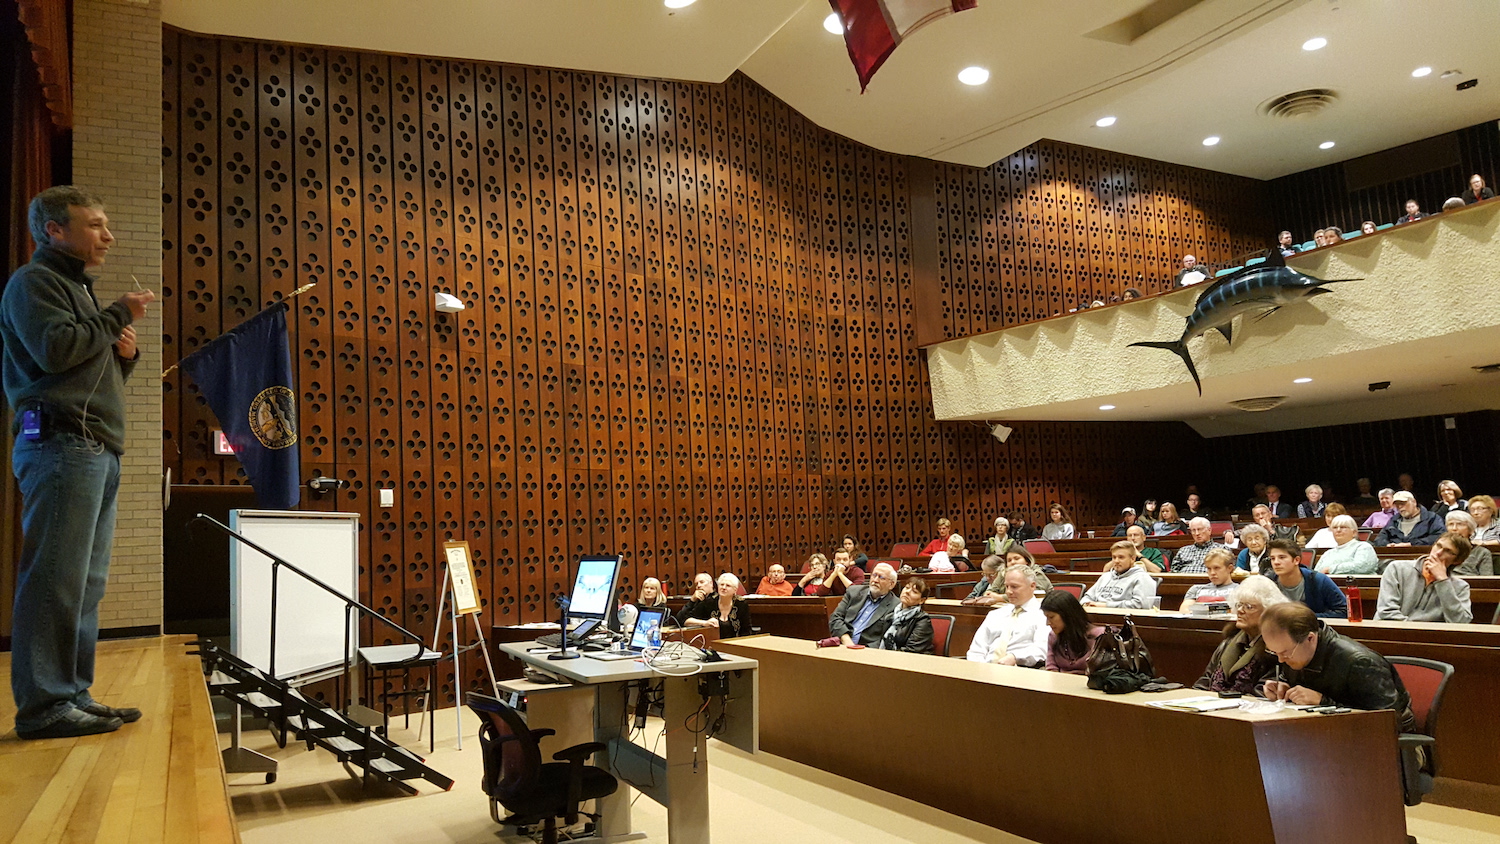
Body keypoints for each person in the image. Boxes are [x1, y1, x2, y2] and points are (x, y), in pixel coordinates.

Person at [4, 187, 154, 739]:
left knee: (85, 584)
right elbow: (54, 352)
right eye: (96, 225)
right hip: (62, 445)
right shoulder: (34, 283)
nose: (108, 236)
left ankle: (72, 693)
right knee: (55, 581)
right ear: (54, 231)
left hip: (94, 447)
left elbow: (89, 375)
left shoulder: (79, 292)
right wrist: (118, 314)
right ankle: (43, 707)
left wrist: (125, 356)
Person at [1258, 603, 1416, 734]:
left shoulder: (1360, 662)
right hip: (1324, 735)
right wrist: (1284, 689)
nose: (1280, 659)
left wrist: (1323, 702)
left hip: (1391, 746)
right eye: (1274, 652)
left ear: (1310, 638)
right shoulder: (1297, 652)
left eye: (1285, 653)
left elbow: (1386, 722)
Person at [1192, 574, 1287, 694]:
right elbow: (1206, 680)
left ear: (1268, 612)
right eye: (1239, 605)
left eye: (1249, 607)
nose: (1240, 610)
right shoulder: (1229, 641)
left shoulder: (1274, 649)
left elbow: (1263, 693)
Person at [1375, 533, 1472, 623]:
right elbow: (1386, 611)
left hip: (1429, 639)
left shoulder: (1460, 587)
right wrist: (1416, 631)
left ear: (1457, 561)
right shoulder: (1397, 568)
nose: (1438, 553)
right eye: (1438, 545)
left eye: (1448, 551)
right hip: (1389, 633)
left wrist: (1443, 581)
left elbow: (1461, 622)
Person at [966, 564, 1047, 666]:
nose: (1008, 591)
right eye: (1006, 586)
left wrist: (1015, 657)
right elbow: (976, 650)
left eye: (1014, 587)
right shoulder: (995, 614)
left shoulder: (1043, 615)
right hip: (985, 670)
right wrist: (979, 668)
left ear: (1032, 586)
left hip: (1019, 671)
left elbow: (1041, 649)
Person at [1266, 539, 1346, 618]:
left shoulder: (1319, 580)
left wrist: (1306, 617)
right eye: (1273, 558)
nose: (1276, 562)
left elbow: (1343, 610)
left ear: (1296, 560)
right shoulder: (1267, 582)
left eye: (1282, 557)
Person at [828, 563, 899, 646]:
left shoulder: (896, 605)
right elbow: (835, 618)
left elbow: (887, 638)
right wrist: (846, 640)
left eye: (881, 577)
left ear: (891, 584)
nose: (875, 580)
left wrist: (861, 650)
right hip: (841, 644)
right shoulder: (854, 592)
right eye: (874, 575)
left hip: (869, 652)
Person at [1041, 590, 1104, 675]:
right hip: (1059, 683)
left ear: (1067, 615)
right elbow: (1051, 667)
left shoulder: (1098, 636)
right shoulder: (1053, 636)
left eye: (1051, 617)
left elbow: (1099, 672)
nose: (1048, 623)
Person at [1083, 541, 1157, 609]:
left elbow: (1141, 605)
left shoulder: (1142, 578)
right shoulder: (1106, 576)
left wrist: (1106, 605)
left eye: (1121, 557)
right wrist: (1085, 604)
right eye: (1114, 557)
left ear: (1132, 559)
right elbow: (1087, 597)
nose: (1116, 561)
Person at [683, 573, 754, 637]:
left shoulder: (741, 604)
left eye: (728, 585)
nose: (723, 588)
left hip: (736, 646)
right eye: (721, 584)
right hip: (713, 646)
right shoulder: (709, 602)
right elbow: (684, 620)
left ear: (735, 590)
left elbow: (746, 631)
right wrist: (705, 623)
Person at [879, 577, 934, 654]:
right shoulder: (891, 614)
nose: (907, 592)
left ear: (922, 600)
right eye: (907, 587)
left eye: (914, 591)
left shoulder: (923, 621)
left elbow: (912, 651)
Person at [1312, 515, 1379, 575]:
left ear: (1354, 532)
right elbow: (1316, 573)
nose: (1338, 530)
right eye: (1335, 527)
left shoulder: (1363, 547)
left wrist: (1330, 569)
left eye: (1343, 527)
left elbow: (1363, 566)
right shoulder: (1328, 553)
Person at [1373, 491, 1445, 547]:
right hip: (1394, 555)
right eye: (1397, 504)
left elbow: (1439, 537)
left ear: (1414, 502)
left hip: (1420, 556)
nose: (1400, 507)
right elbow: (1380, 538)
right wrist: (1387, 545)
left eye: (1403, 503)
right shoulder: (1394, 520)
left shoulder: (1431, 518)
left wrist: (1411, 544)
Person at [1179, 549, 1239, 613]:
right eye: (1209, 568)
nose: (1212, 573)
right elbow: (1184, 611)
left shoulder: (1239, 590)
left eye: (1217, 568)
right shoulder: (1196, 589)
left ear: (1229, 568)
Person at [1443, 511, 1492, 576]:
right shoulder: (1440, 550)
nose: (1454, 528)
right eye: (1451, 524)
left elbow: (1488, 581)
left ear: (1470, 530)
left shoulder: (1481, 552)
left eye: (1460, 524)